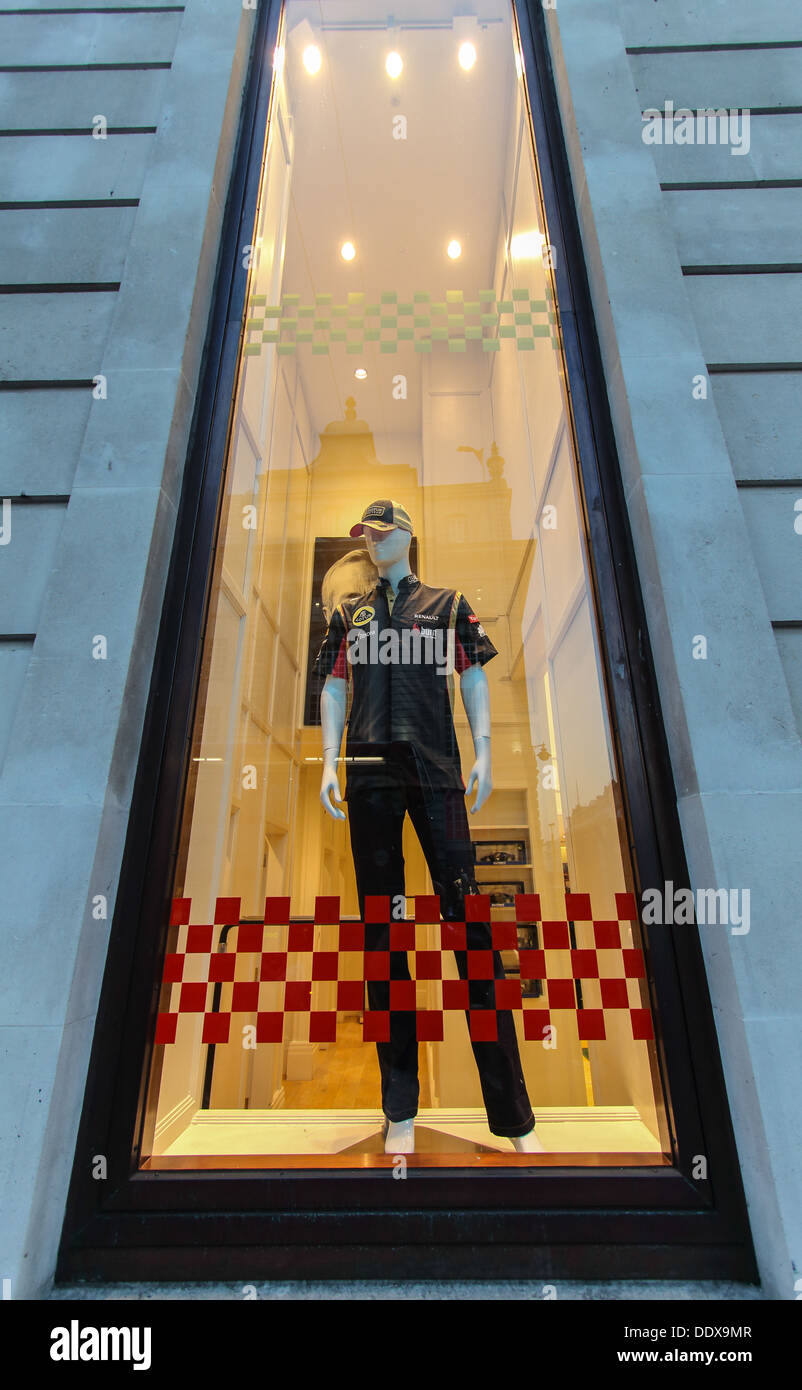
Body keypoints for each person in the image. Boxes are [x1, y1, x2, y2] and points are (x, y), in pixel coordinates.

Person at [315, 499, 540, 1155]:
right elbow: (332, 686)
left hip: (438, 772)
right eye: (367, 536)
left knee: (470, 932)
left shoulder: (448, 604)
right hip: (369, 778)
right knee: (383, 941)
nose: (374, 544)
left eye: (384, 534)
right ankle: (401, 1111)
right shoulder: (349, 616)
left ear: (409, 535)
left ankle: (514, 1118)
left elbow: (472, 675)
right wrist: (329, 762)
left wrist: (487, 750)